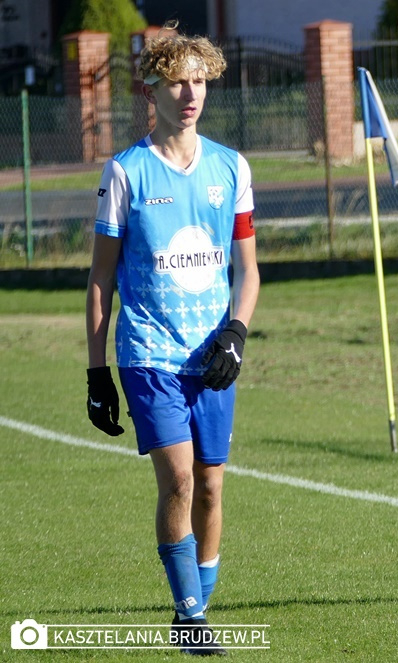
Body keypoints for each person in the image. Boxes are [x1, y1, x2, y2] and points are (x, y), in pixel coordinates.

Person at [85, 24, 260, 654]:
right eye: (177, 82)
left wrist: (236, 332)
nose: (190, 94)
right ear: (151, 90)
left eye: (199, 81)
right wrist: (97, 373)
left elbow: (247, 270)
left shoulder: (230, 167)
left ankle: (195, 607)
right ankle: (191, 618)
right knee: (180, 482)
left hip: (211, 355)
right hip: (149, 354)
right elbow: (101, 279)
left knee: (211, 486)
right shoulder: (125, 172)